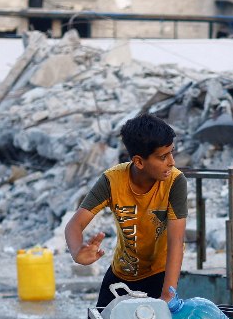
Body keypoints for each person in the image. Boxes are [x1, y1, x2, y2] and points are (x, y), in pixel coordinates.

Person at [64, 114, 187, 307]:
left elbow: (176, 241)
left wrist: (167, 295)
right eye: (163, 157)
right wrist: (77, 251)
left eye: (172, 152)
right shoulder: (112, 181)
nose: (171, 162)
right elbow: (74, 225)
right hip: (122, 274)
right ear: (139, 162)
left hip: (161, 275)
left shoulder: (175, 182)